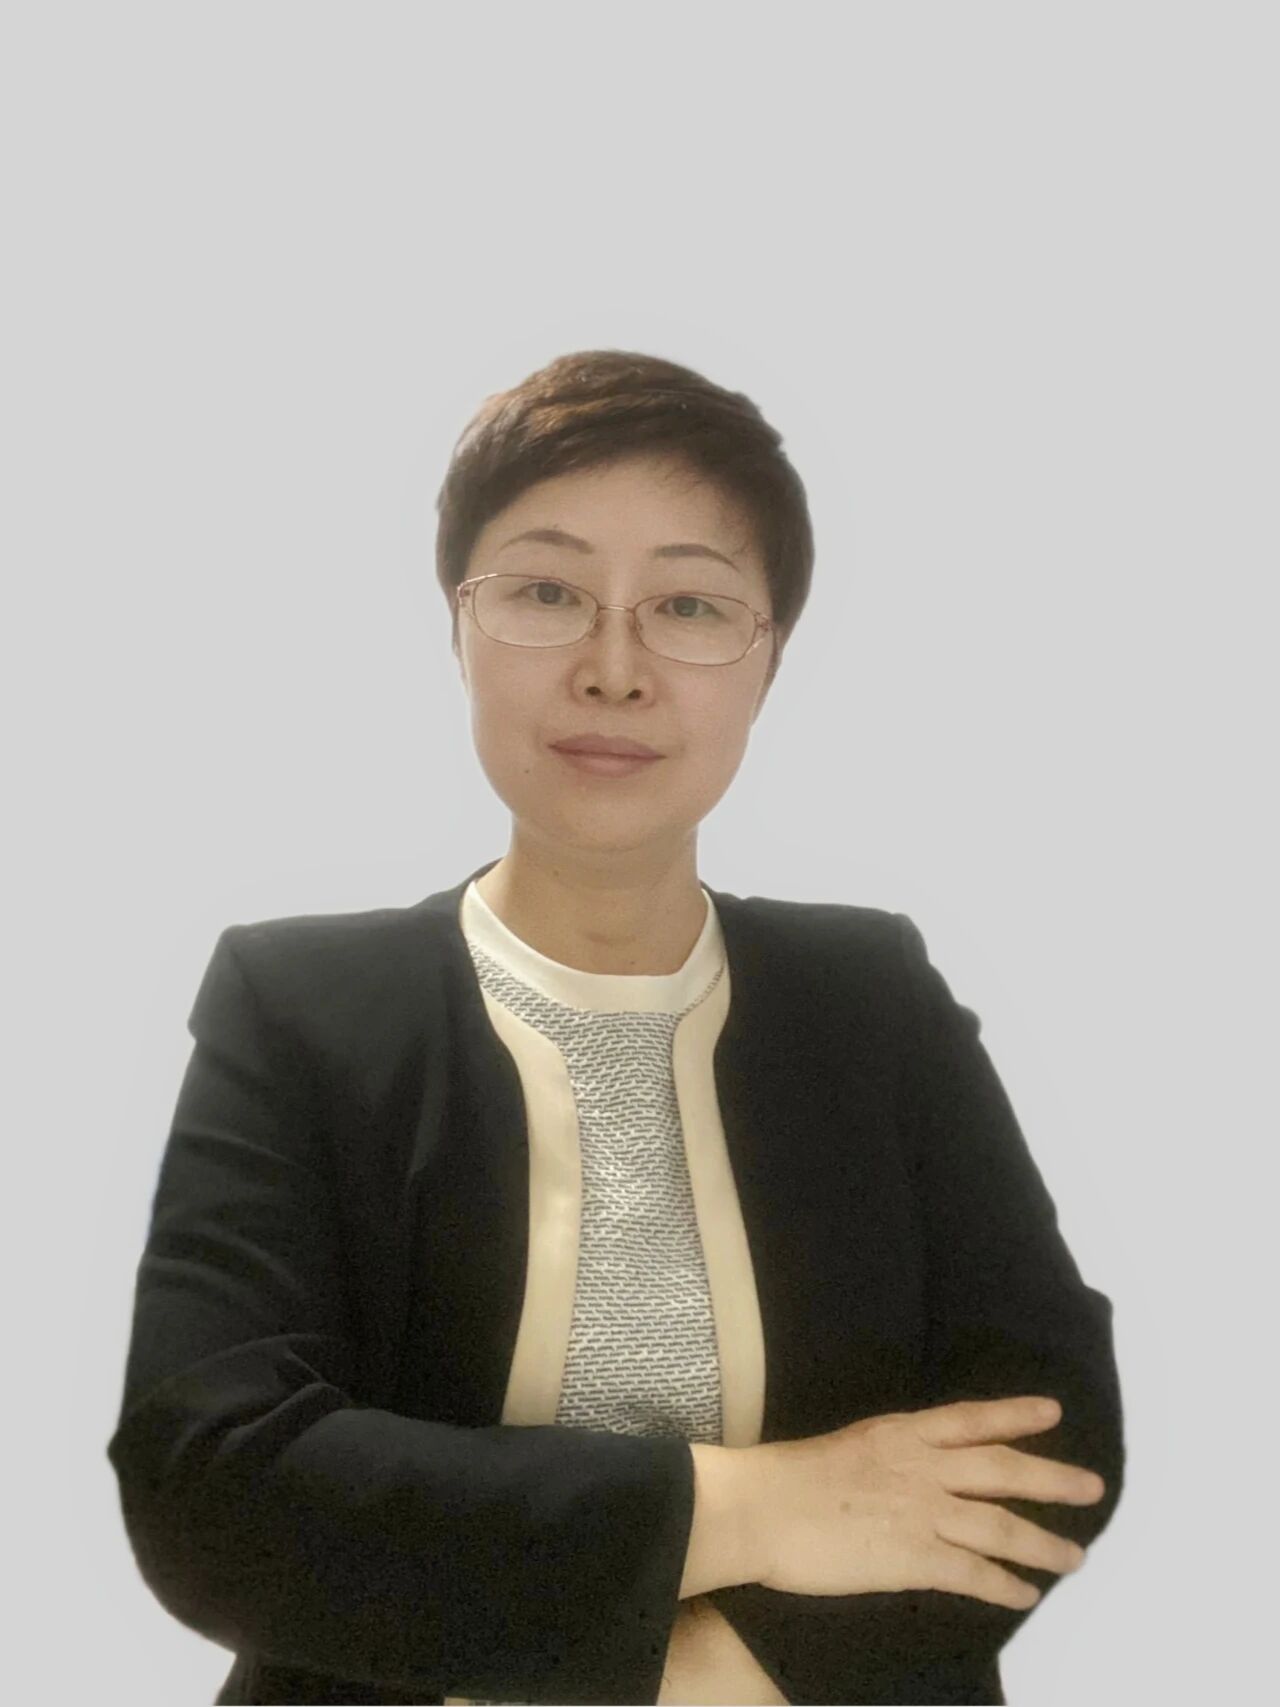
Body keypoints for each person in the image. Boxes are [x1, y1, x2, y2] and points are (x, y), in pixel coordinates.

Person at [106, 350, 1124, 1706]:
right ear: (459, 628)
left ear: (769, 661)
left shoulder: (871, 1000)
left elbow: (1045, 1433)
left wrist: (707, 1675)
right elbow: (214, 1484)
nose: (613, 669)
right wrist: (760, 1505)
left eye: (690, 605)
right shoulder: (300, 1007)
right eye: (546, 593)